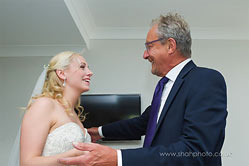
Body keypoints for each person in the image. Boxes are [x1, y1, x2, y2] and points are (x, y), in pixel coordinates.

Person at [58, 13, 227, 166]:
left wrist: (118, 158)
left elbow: (195, 151)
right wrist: (98, 132)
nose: (145, 55)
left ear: (170, 46)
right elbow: (141, 124)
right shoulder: (165, 87)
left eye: (149, 47)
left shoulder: (206, 79)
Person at [17, 51, 93, 165]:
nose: (90, 73)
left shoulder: (74, 114)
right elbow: (27, 162)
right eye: (82, 67)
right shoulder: (44, 105)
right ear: (62, 73)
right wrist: (72, 155)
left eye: (88, 68)